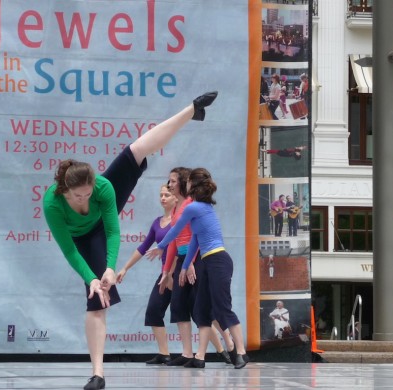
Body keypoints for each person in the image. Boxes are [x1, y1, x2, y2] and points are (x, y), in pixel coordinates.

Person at [43, 91, 218, 390]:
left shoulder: (103, 188)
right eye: (78, 196)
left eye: (88, 193)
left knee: (135, 151)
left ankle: (191, 110)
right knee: (96, 298)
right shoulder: (52, 204)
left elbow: (112, 231)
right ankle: (98, 373)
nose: (84, 199)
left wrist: (111, 268)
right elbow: (69, 250)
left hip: (101, 230)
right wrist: (93, 278)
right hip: (83, 239)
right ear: (65, 191)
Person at [147, 168, 249, 369]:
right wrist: (185, 266)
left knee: (222, 308)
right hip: (207, 261)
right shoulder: (198, 208)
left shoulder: (193, 208)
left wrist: (160, 247)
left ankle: (241, 352)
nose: (180, 184)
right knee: (201, 311)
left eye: (184, 182)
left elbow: (175, 231)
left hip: (218, 260)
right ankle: (200, 357)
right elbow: (194, 239)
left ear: (191, 185)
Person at [115, 184, 176, 365]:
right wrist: (125, 268)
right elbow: (143, 247)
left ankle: (227, 348)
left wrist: (172, 273)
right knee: (153, 311)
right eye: (161, 195)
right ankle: (164, 354)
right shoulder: (158, 222)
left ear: (176, 198)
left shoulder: (180, 220)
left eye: (167, 194)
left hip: (179, 273)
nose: (163, 198)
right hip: (165, 274)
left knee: (199, 313)